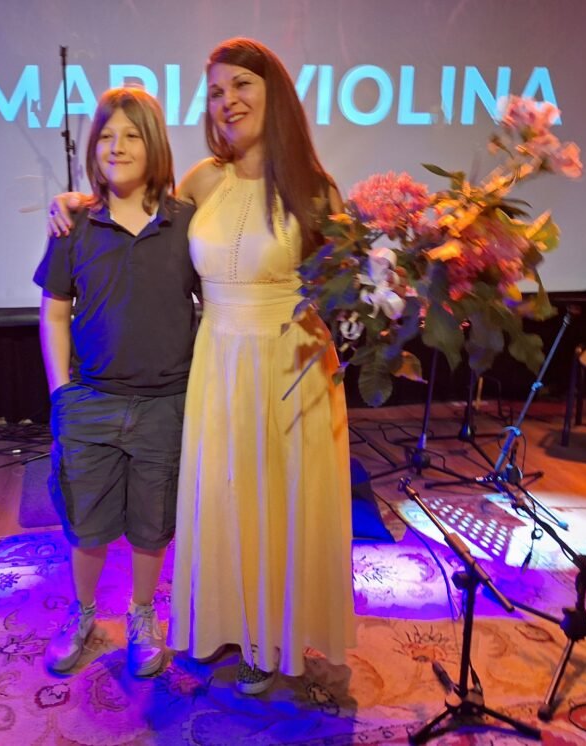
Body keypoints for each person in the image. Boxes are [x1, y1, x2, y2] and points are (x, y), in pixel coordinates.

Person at [48, 37, 354, 695]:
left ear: (274, 93)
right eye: (216, 92)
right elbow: (135, 205)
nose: (228, 101)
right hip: (214, 362)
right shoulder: (202, 181)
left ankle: (271, 638)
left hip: (290, 365)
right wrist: (74, 201)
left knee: (279, 503)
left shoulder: (315, 189)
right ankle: (226, 620)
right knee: (221, 498)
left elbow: (346, 286)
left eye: (241, 85)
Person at [34, 87, 198, 677]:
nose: (117, 146)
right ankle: (82, 614)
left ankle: (141, 613)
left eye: (131, 135)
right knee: (88, 522)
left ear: (154, 146)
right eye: (105, 136)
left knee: (153, 524)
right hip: (90, 403)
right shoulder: (74, 224)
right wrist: (61, 393)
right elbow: (55, 313)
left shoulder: (187, 224)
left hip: (165, 405)